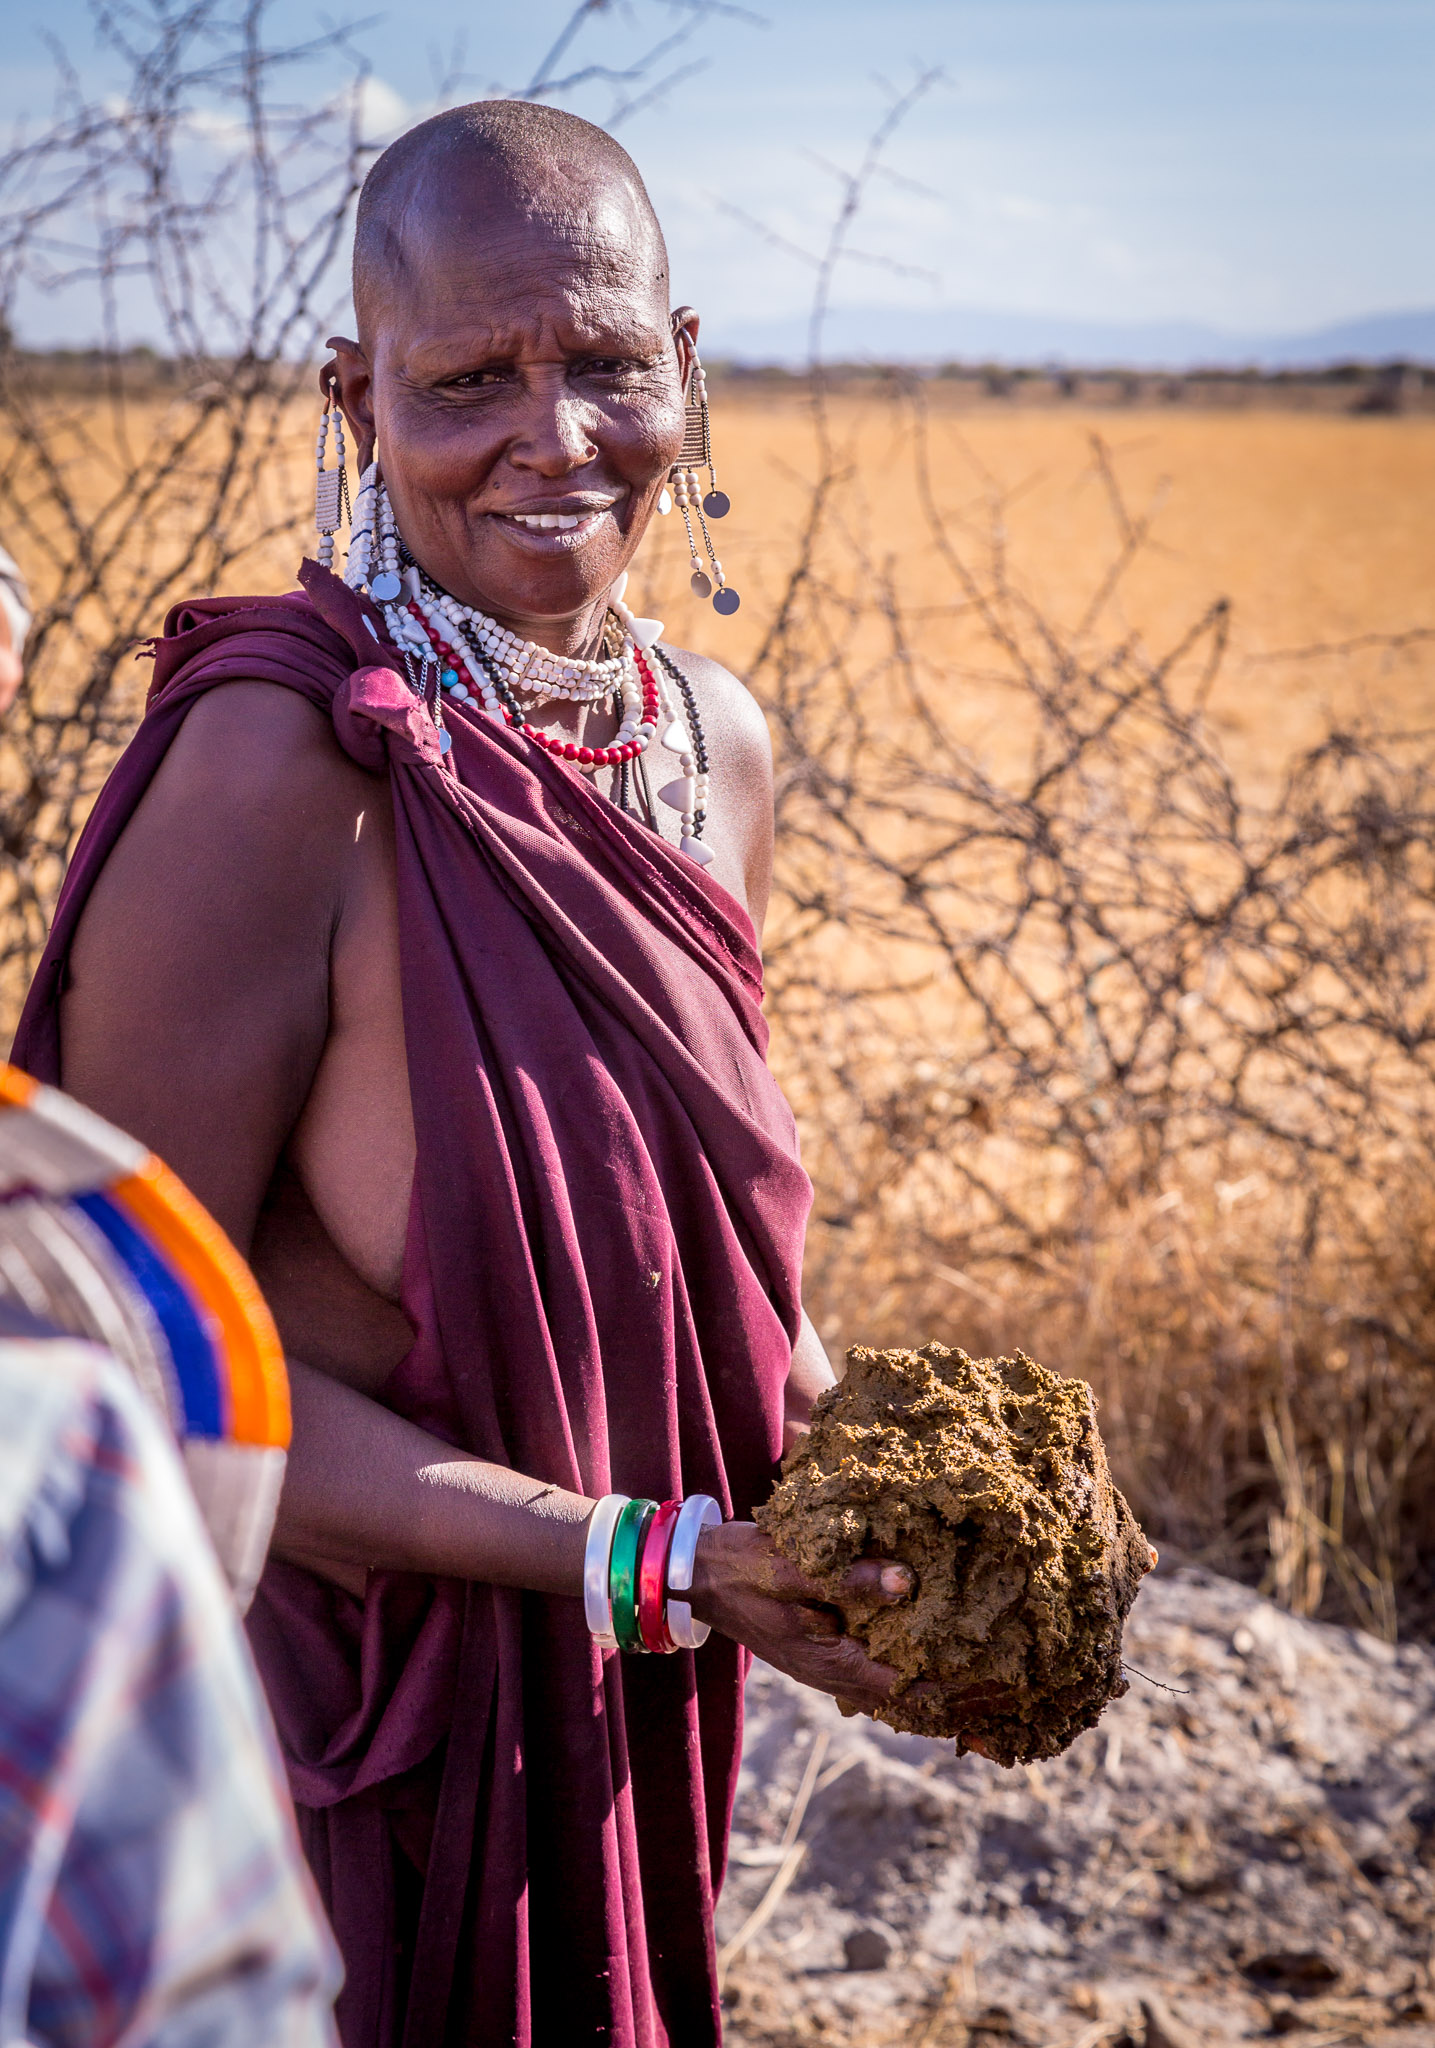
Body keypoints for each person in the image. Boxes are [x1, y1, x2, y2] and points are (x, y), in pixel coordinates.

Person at [13, 101, 927, 2047]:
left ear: (681, 366)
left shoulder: (712, 746)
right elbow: (114, 1367)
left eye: (603, 362)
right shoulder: (280, 775)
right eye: (466, 379)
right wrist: (638, 1555)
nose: (554, 434)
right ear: (357, 396)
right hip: (332, 1750)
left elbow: (676, 1257)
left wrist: (870, 1486)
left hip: (629, 1702)